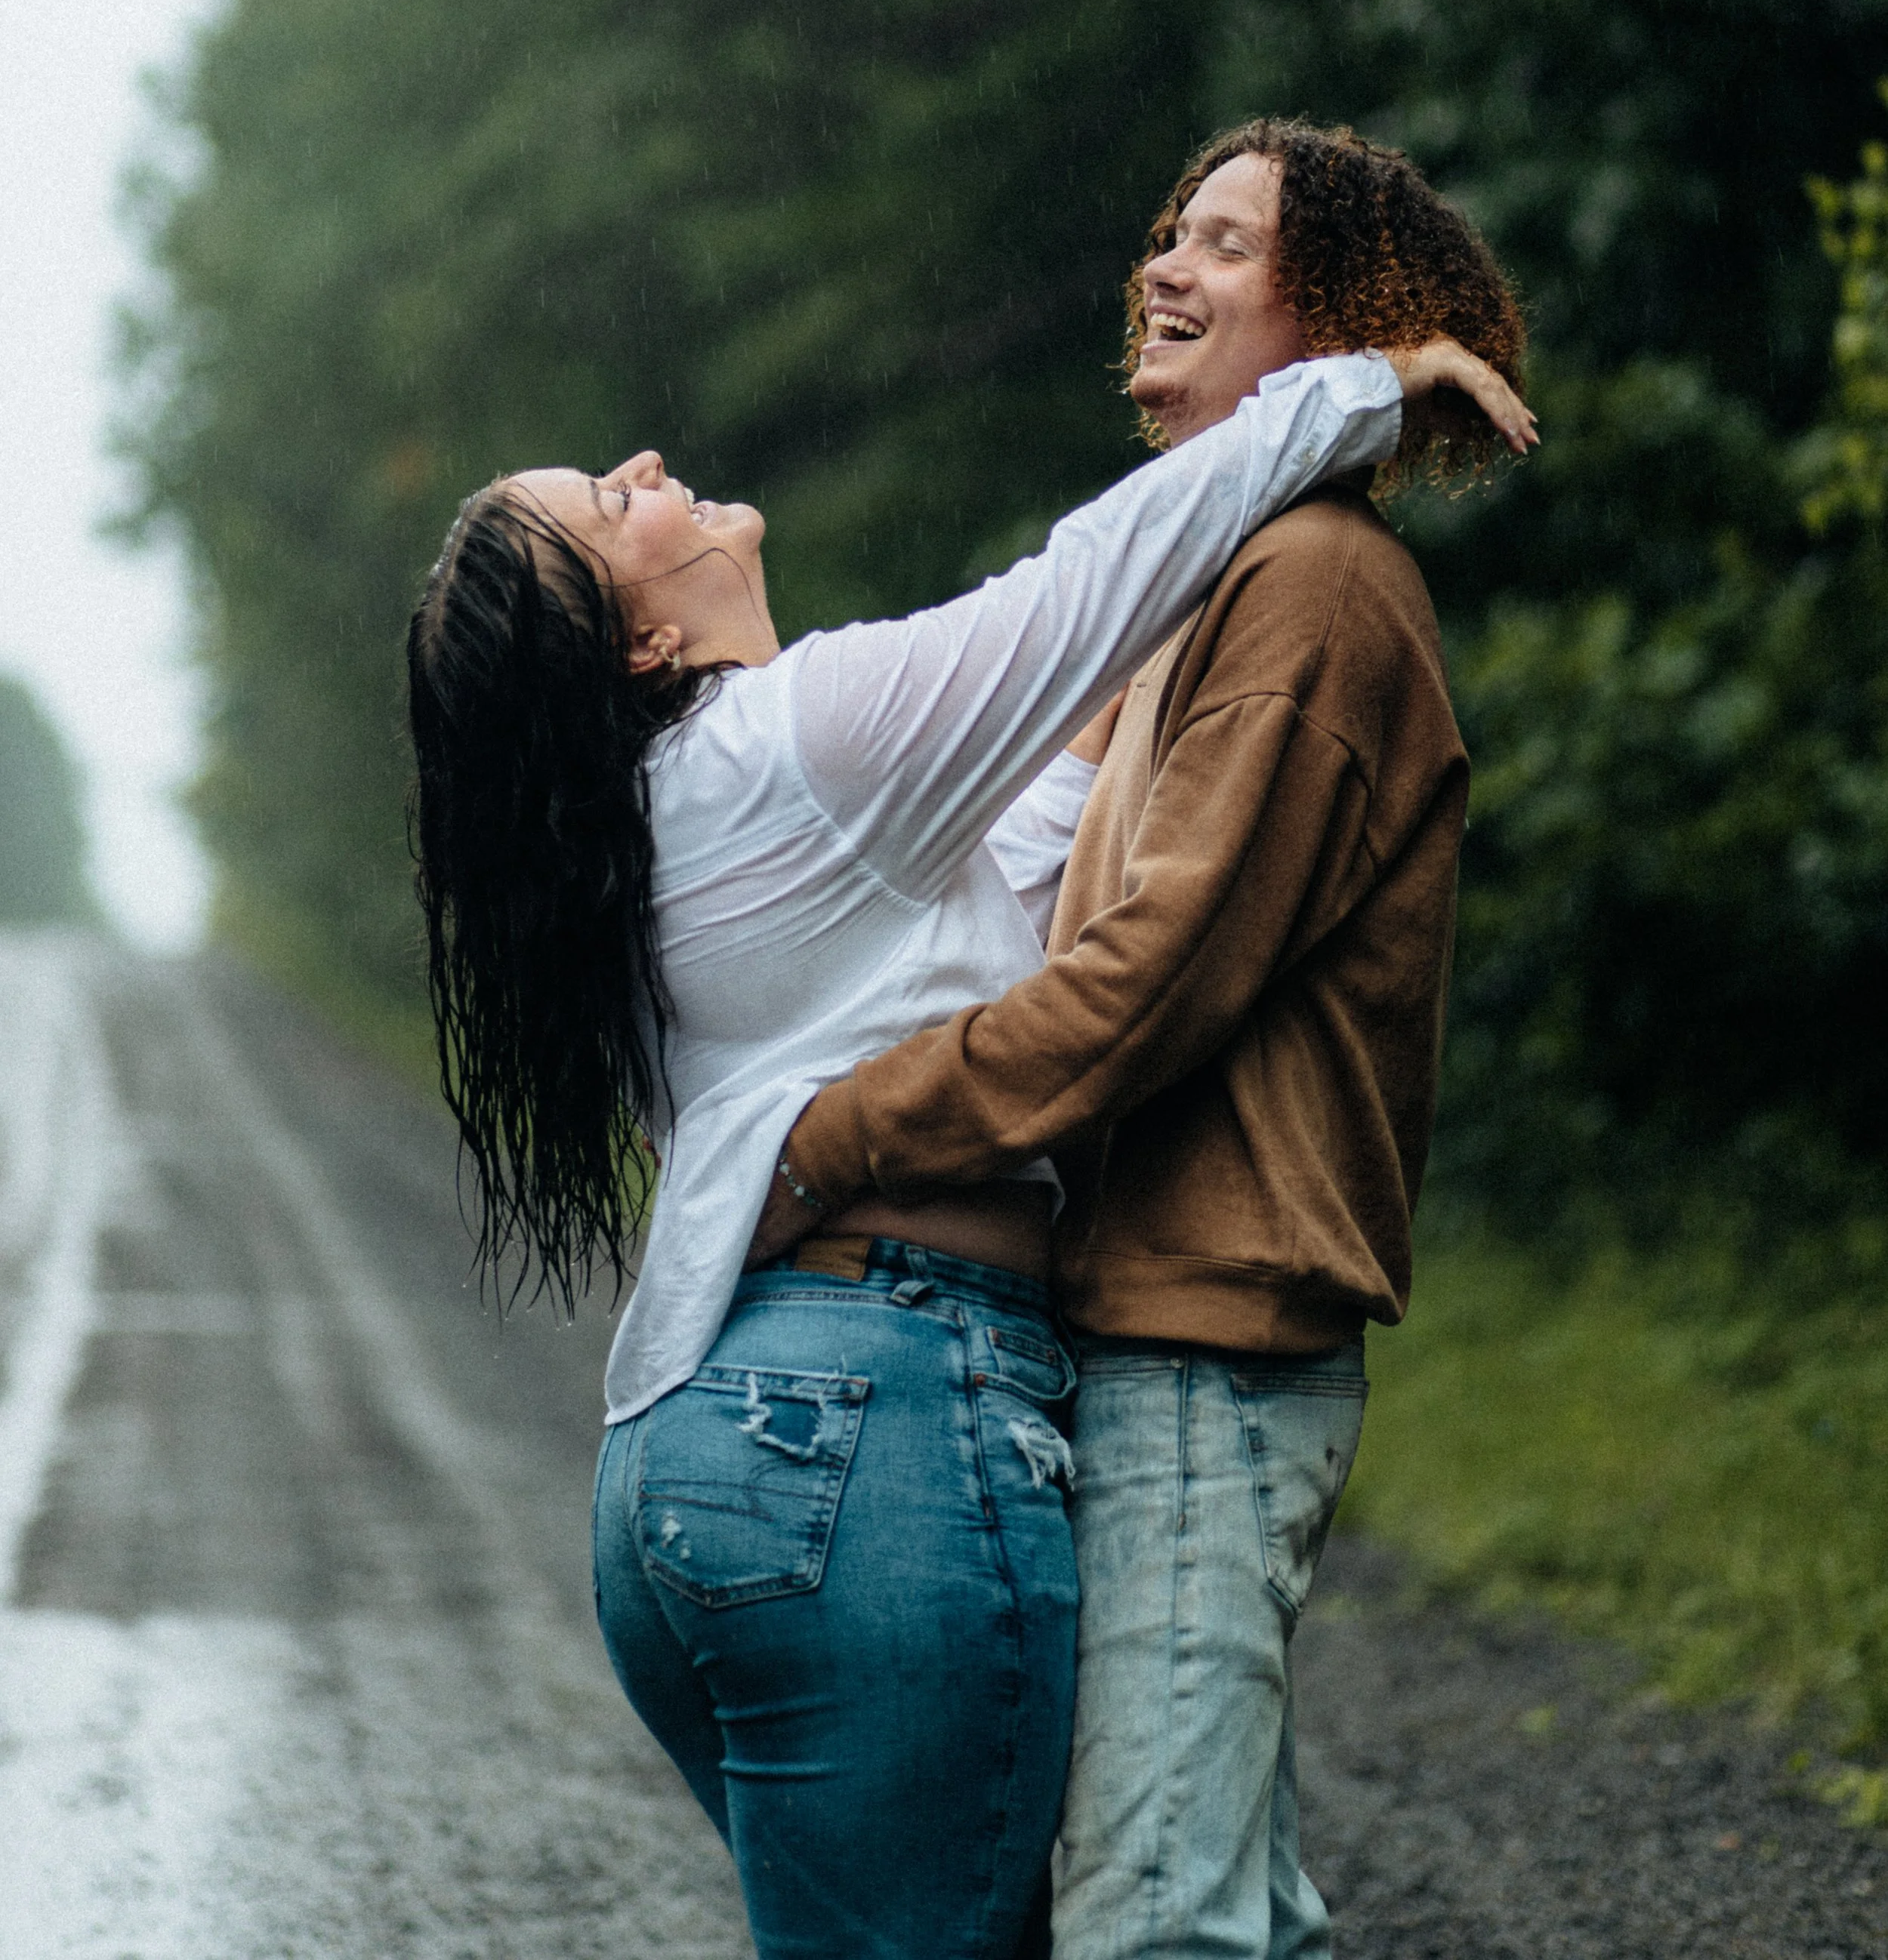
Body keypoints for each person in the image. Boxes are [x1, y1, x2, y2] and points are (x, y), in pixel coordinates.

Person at [405, 233, 1530, 1960]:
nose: (642, 468)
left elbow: (1031, 844)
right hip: (874, 1435)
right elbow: (1090, 585)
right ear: (633, 644)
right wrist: (1357, 384)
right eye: (604, 508)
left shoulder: (680, 849)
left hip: (695, 1475)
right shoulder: (800, 740)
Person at [760, 117, 1529, 1960]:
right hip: (1128, 1342)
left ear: (1336, 308)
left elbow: (1146, 986)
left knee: (1154, 1925)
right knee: (1223, 1908)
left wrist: (837, 1136)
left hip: (1205, 1346)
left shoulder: (1315, 589)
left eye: (1226, 245)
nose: (1165, 270)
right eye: (1164, 236)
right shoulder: (1202, 597)